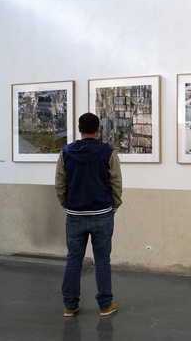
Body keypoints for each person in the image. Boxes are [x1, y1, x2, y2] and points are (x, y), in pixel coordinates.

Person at [55, 112, 123, 317]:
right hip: (102, 214)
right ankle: (104, 305)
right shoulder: (108, 152)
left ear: (79, 129)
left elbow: (60, 184)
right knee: (102, 260)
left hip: (74, 214)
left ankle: (70, 305)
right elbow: (116, 183)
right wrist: (114, 207)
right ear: (98, 129)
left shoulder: (66, 152)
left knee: (73, 259)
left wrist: (67, 204)